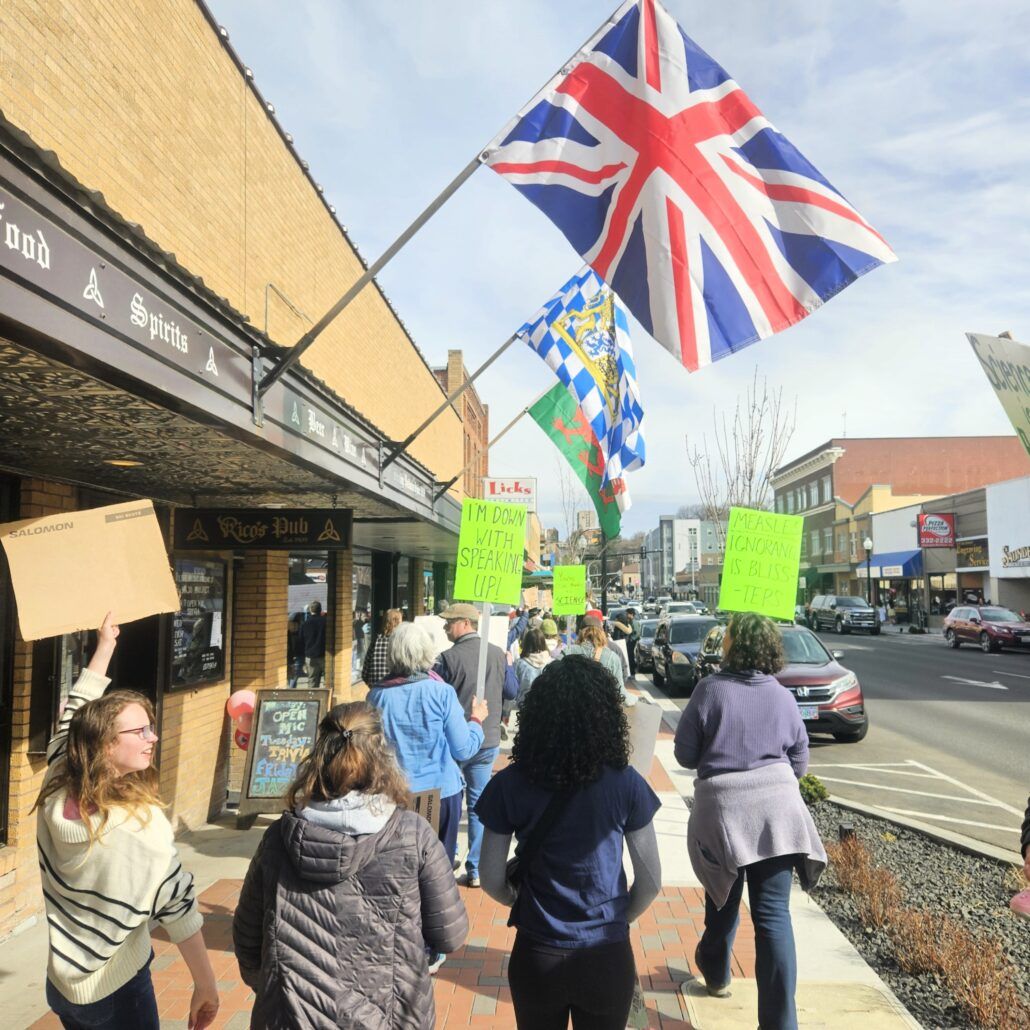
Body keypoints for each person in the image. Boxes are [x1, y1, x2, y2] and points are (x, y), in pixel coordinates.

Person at [232, 701, 470, 1025]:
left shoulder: (277, 839)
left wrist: (280, 992)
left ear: (319, 755)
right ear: (382, 756)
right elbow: (450, 935)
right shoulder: (413, 835)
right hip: (392, 1016)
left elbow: (247, 940)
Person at [33, 613, 217, 1030]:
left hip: (62, 987)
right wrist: (206, 985)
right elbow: (178, 905)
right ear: (104, 744)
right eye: (140, 731)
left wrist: (105, 647)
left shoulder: (57, 782)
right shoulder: (140, 825)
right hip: (117, 989)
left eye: (151, 727)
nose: (153, 737)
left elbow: (74, 714)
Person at [477, 656, 662, 1029]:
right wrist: (615, 919)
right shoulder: (627, 784)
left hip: (536, 953)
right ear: (607, 718)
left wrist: (518, 901)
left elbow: (490, 877)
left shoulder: (509, 784)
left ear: (539, 716)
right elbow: (651, 881)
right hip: (605, 954)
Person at [673, 612, 827, 1030]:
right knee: (774, 916)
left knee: (721, 899)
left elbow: (684, 755)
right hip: (777, 815)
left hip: (722, 813)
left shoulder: (709, 690)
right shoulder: (781, 695)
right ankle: (780, 1024)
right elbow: (800, 759)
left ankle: (716, 970)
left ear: (732, 646)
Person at [366, 622, 487, 870]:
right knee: (436, 870)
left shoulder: (376, 696)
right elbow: (464, 749)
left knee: (398, 868)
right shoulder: (441, 692)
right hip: (440, 793)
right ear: (427, 652)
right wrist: (476, 720)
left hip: (394, 794)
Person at [433, 603, 516, 888]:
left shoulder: (446, 659)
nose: (445, 628)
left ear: (465, 624)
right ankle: (476, 868)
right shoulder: (496, 654)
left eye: (449, 623)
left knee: (452, 799)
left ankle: (450, 856)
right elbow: (511, 691)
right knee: (478, 802)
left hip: (455, 742)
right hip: (487, 738)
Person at [565, 621, 637, 706]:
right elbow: (621, 694)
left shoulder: (567, 651)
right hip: (600, 711)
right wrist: (635, 698)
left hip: (573, 709)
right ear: (602, 632)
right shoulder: (612, 657)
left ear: (580, 632)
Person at [361, 607, 403, 687]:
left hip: (376, 688)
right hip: (395, 688)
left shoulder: (376, 641)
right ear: (397, 622)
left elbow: (365, 673)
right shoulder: (401, 643)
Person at [514, 627, 554, 707]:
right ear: (543, 643)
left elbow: (514, 689)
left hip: (525, 707)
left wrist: (506, 711)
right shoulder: (552, 663)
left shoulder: (519, 664)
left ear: (526, 643)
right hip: (548, 707)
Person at [298, 600, 327, 690]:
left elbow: (301, 641)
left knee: (312, 681)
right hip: (324, 655)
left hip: (310, 656)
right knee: (328, 681)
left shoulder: (305, 624)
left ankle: (312, 700)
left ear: (310, 610)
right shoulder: (325, 622)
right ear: (320, 610)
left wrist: (301, 657)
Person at [611, 608, 639, 678]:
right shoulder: (627, 624)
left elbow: (636, 634)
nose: (626, 615)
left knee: (629, 657)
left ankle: (631, 673)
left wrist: (630, 640)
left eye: (627, 614)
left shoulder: (633, 623)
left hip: (629, 643)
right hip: (627, 643)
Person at [286, 611, 305, 688]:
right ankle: (291, 691)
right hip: (299, 655)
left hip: (289, 655)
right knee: (295, 676)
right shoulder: (301, 629)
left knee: (291, 676)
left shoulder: (287, 631)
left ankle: (290, 689)